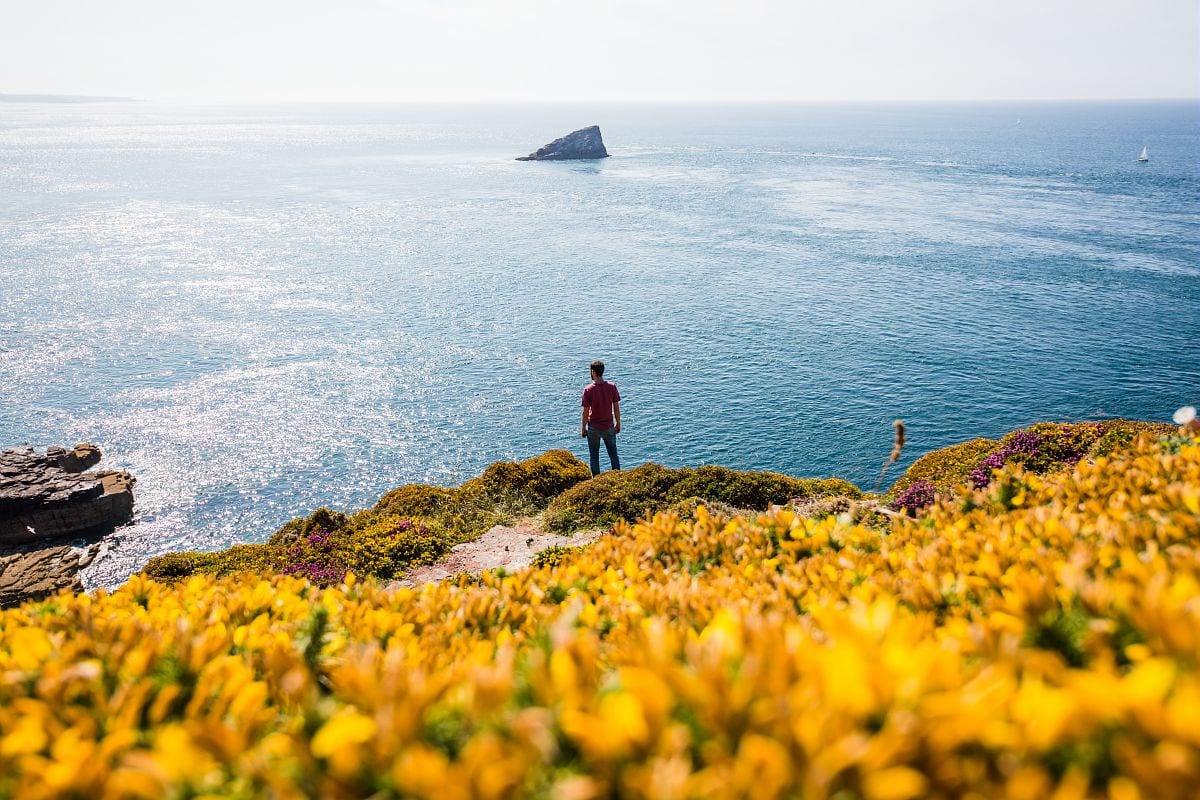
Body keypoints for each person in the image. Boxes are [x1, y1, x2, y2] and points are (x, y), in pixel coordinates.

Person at [581, 359, 620, 477]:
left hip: (593, 428)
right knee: (613, 454)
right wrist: (618, 423)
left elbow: (585, 412)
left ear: (593, 372)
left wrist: (583, 428)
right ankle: (617, 478)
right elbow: (616, 408)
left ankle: (597, 481)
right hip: (609, 426)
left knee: (594, 456)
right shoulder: (612, 387)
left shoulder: (588, 389)